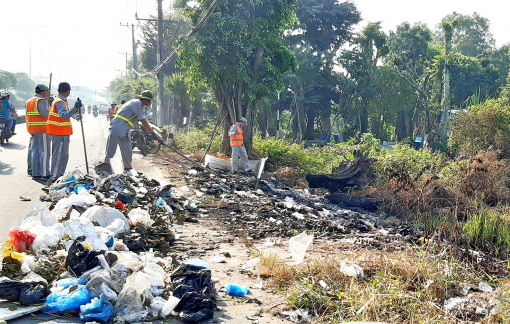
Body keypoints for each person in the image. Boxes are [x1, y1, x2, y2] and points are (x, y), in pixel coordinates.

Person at [104, 90, 162, 172]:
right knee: (111, 150)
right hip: (118, 127)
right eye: (149, 101)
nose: (149, 103)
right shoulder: (136, 103)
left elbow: (144, 122)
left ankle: (128, 169)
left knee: (127, 151)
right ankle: (105, 168)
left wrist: (156, 134)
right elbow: (143, 121)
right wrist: (152, 133)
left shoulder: (139, 106)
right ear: (145, 99)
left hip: (125, 130)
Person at [46, 82, 82, 181]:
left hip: (61, 132)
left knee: (63, 156)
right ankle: (54, 177)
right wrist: (75, 108)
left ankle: (59, 176)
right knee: (59, 156)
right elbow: (64, 115)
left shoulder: (59, 100)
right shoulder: (60, 102)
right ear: (68, 91)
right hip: (59, 133)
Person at [26, 84, 51, 180]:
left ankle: (36, 173)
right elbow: (45, 114)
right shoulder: (41, 101)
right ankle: (45, 173)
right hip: (42, 129)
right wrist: (49, 109)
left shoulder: (29, 101)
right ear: (44, 92)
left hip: (32, 129)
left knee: (35, 151)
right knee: (44, 151)